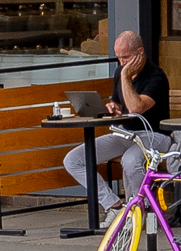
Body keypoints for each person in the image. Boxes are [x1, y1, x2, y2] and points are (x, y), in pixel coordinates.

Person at [69, 29, 170, 199]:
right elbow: (118, 102)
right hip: (126, 134)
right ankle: (113, 205)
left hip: (155, 135)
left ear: (140, 52)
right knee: (74, 160)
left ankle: (142, 208)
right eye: (119, 57)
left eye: (126, 58)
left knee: (130, 161)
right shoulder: (120, 72)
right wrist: (112, 106)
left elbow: (136, 108)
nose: (122, 62)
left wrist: (125, 76)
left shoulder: (156, 76)